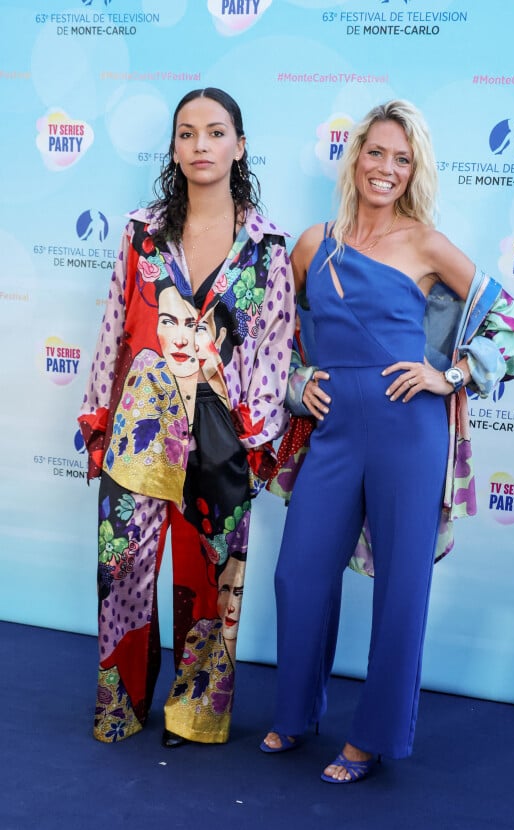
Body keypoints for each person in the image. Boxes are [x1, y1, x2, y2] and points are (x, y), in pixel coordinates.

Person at [261, 100, 514, 783]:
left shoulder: (428, 244)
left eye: (401, 159)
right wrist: (297, 384)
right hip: (335, 432)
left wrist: (453, 372)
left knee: (401, 590)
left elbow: (512, 325)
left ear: (415, 171)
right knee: (298, 576)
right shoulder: (315, 241)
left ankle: (371, 739)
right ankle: (295, 714)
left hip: (409, 433)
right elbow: (272, 339)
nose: (385, 168)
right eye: (375, 152)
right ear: (355, 158)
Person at [78, 87, 295, 746]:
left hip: (222, 437)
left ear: (240, 144)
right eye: (187, 133)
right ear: (174, 147)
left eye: (215, 132)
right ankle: (121, 706)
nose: (201, 145)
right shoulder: (142, 232)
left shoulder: (268, 244)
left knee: (210, 583)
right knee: (122, 574)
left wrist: (257, 440)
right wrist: (97, 415)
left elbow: (276, 347)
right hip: (138, 431)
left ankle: (196, 714)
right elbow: (117, 321)